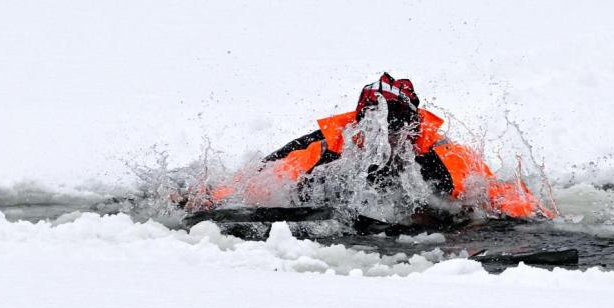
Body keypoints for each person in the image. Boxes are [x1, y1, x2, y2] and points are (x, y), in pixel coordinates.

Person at [196, 73, 551, 219]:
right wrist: (208, 201)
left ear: (413, 126)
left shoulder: (444, 157)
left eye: (395, 125)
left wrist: (535, 220)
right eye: (374, 123)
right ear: (359, 121)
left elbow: (496, 194)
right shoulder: (325, 148)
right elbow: (257, 183)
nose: (383, 135)